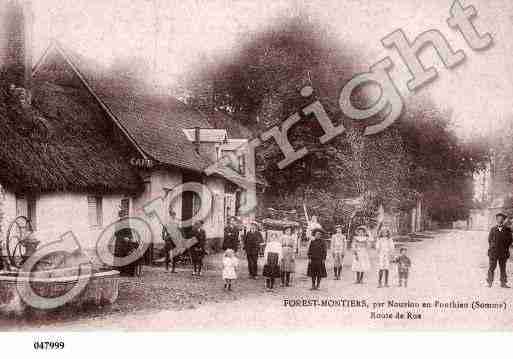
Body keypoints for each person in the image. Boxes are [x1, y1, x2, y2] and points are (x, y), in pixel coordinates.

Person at [487, 212, 513, 288]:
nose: (500, 220)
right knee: (492, 267)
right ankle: (490, 282)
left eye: (501, 218)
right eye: (498, 218)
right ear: (496, 220)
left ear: (504, 220)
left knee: (503, 268)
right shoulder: (493, 229)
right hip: (493, 252)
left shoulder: (507, 230)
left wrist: (505, 248)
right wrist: (492, 247)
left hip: (503, 252)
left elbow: (510, 240)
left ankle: (503, 283)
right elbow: (489, 240)